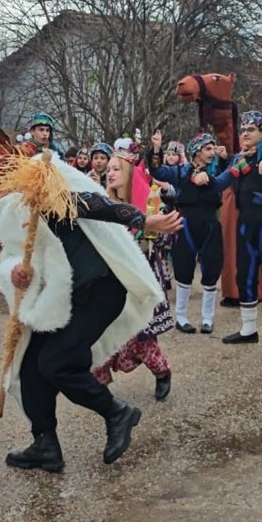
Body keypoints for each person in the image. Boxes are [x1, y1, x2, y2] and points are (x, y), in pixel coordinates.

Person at [0, 151, 182, 472]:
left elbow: (90, 202)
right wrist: (17, 273)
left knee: (56, 362)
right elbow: (13, 258)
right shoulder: (10, 212)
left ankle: (117, 413)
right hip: (65, 299)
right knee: (32, 362)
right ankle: (44, 443)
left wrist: (143, 220)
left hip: (100, 290)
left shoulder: (42, 190)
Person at [91, 138, 175, 401]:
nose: (111, 172)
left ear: (128, 172)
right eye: (109, 169)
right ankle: (99, 388)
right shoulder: (102, 203)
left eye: (116, 168)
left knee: (140, 339)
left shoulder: (149, 201)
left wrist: (153, 233)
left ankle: (162, 373)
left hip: (138, 281)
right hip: (108, 281)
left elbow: (168, 237)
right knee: (101, 336)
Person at [206, 111, 262, 348]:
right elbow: (220, 183)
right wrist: (203, 176)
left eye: (250, 130)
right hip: (247, 222)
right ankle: (248, 329)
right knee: (244, 274)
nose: (244, 134)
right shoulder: (238, 160)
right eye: (243, 130)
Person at [149, 131, 224, 334]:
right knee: (183, 269)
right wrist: (156, 149)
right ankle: (181, 317)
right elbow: (158, 172)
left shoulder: (217, 170)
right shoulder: (182, 171)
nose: (212, 152)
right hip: (187, 224)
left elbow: (231, 174)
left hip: (210, 224)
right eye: (208, 149)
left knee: (211, 269)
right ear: (196, 152)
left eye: (212, 148)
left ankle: (207, 318)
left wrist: (225, 159)